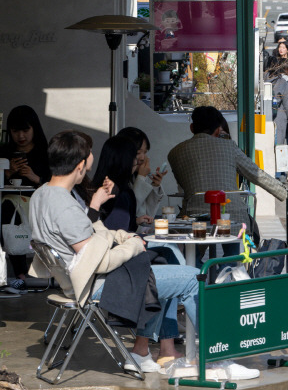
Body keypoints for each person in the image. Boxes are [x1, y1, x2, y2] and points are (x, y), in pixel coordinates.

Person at [28, 131, 201, 372]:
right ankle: (219, 355)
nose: (91, 166)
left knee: (165, 264)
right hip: (96, 283)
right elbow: (97, 262)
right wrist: (132, 245)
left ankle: (143, 351)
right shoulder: (64, 205)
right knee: (193, 277)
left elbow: (89, 240)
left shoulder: (40, 195)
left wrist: (117, 233)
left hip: (74, 281)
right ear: (79, 166)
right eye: (89, 159)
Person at [168, 106, 288, 233]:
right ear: (219, 129)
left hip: (194, 218)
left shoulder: (175, 153)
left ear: (192, 128)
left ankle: (195, 253)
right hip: (232, 215)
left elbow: (184, 186)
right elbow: (256, 174)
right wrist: (283, 192)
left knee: (193, 250)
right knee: (234, 246)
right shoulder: (229, 146)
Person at [0, 105, 50, 293]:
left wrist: (33, 176)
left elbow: (54, 182)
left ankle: (23, 273)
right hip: (10, 204)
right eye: (15, 131)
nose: (21, 136)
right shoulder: (4, 153)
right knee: (8, 210)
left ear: (34, 128)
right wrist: (9, 172)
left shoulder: (45, 153)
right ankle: (20, 273)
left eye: (25, 130)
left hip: (37, 204)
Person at [117, 127, 167, 219]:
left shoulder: (135, 177)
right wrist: (141, 178)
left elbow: (147, 215)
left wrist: (155, 185)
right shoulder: (115, 181)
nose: (142, 158)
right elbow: (129, 211)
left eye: (145, 152)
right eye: (138, 152)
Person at [265, 64, 288, 173]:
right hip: (279, 118)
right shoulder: (281, 82)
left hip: (261, 118)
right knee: (278, 145)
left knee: (265, 146)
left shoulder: (258, 79)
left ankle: (267, 170)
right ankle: (278, 173)